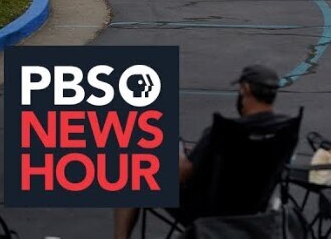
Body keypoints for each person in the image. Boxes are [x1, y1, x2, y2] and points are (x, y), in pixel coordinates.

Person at [113, 64, 290, 239]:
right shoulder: (285, 131)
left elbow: (183, 175)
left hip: (206, 213)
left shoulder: (224, 131)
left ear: (245, 89)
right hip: (252, 213)